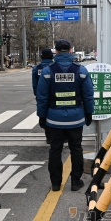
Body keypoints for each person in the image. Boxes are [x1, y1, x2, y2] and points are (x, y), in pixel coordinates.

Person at [36, 39, 94, 192]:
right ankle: (75, 181)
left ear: (55, 51)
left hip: (54, 119)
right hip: (75, 118)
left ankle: (56, 183)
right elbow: (88, 95)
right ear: (70, 51)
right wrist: (89, 113)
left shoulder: (48, 71)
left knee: (55, 149)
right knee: (76, 148)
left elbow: (42, 97)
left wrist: (42, 116)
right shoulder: (80, 70)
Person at [32, 48, 55, 144]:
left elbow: (35, 85)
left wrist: (38, 95)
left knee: (44, 115)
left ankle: (48, 137)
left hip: (41, 96)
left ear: (41, 57)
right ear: (51, 56)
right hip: (54, 96)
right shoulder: (55, 67)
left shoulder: (36, 69)